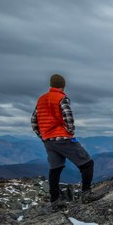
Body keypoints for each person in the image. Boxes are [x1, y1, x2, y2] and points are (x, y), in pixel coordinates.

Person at [31, 73, 98, 208]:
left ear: (51, 84)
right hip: (63, 138)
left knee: (55, 168)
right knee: (87, 163)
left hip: (48, 141)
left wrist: (42, 136)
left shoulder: (41, 99)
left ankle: (55, 201)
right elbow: (68, 115)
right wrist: (70, 131)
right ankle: (86, 194)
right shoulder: (61, 98)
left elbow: (33, 121)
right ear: (63, 85)